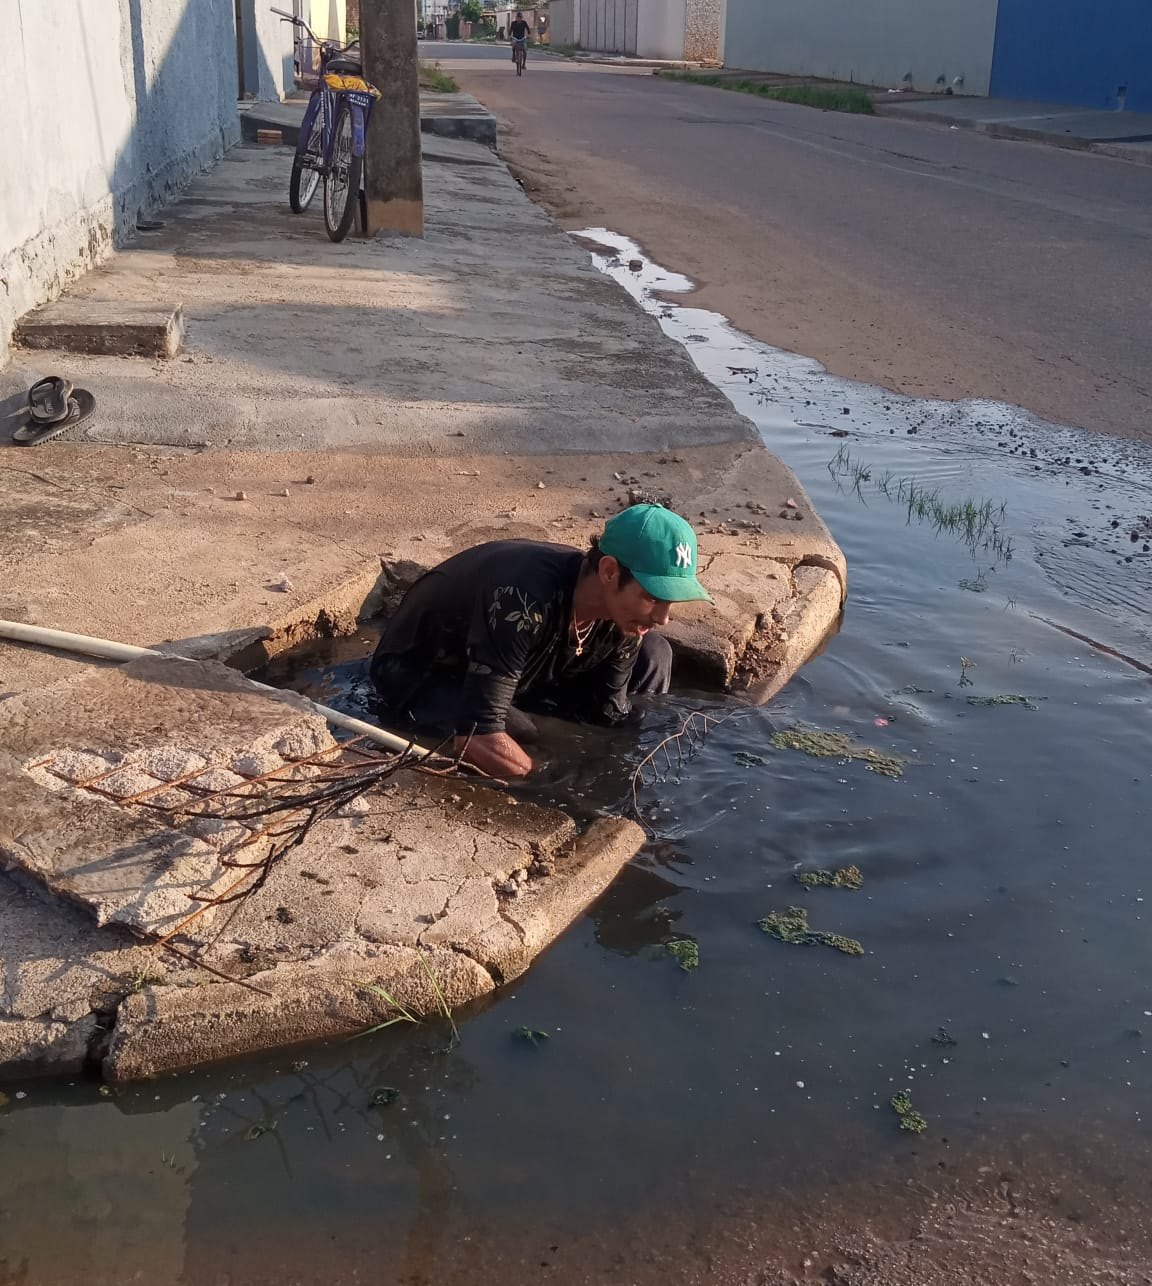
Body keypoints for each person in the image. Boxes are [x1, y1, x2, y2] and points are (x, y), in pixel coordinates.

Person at [370, 504, 712, 779]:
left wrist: (621, 767)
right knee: (516, 732)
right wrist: (553, 777)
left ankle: (530, 714)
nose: (663, 617)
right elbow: (478, 736)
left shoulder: (622, 620)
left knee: (654, 654)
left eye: (671, 601)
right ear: (609, 572)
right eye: (653, 598)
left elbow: (608, 713)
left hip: (523, 664)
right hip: (424, 672)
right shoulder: (522, 598)